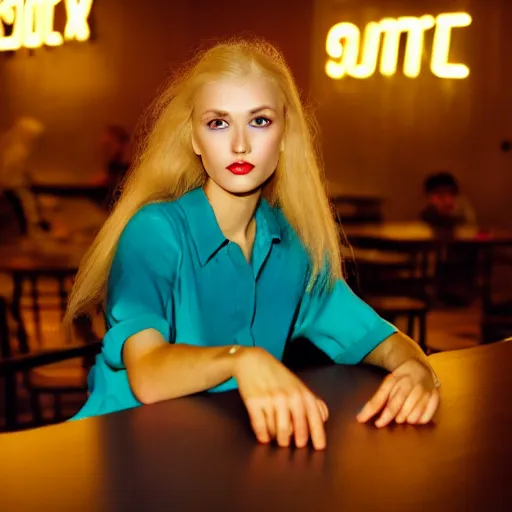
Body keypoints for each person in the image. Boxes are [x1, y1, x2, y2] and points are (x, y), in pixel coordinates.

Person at [65, 39, 440, 450]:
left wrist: (417, 367)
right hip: (123, 452)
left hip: (219, 454)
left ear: (284, 136)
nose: (240, 145)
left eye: (259, 121)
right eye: (218, 123)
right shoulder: (154, 232)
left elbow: (373, 335)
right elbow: (148, 373)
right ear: (194, 139)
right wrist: (243, 359)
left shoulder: (293, 247)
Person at [0, 117, 49, 238]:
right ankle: (29, 235)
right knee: (26, 210)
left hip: (15, 187)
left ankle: (31, 233)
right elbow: (9, 174)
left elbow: (22, 173)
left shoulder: (18, 150)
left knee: (28, 208)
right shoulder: (17, 151)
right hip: (12, 188)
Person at [91, 125, 131, 206]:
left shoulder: (130, 176)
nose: (104, 150)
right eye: (104, 145)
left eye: (108, 145)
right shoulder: (108, 173)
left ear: (122, 146)